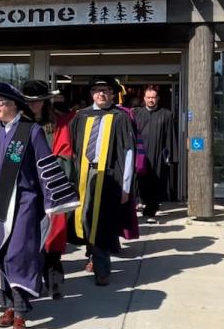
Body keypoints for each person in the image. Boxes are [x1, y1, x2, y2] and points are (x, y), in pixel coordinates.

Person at [0, 83, 79, 329]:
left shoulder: (30, 131)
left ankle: (21, 312)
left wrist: (53, 201)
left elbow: (46, 166)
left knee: (18, 255)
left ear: (14, 105)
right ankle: (9, 306)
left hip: (23, 203)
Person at [68, 76, 136, 286]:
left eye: (106, 90)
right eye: (97, 90)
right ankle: (91, 255)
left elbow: (128, 153)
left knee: (103, 223)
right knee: (85, 219)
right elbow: (73, 151)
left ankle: (102, 269)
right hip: (83, 176)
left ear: (113, 93)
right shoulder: (80, 117)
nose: (101, 94)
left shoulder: (120, 117)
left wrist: (125, 186)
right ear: (91, 94)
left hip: (109, 178)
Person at [21, 80, 73, 299]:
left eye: (39, 101)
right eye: (30, 101)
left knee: (52, 236)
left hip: (50, 187)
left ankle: (53, 281)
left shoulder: (57, 124)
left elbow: (64, 156)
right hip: (24, 190)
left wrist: (56, 186)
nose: (34, 105)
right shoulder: (17, 124)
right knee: (27, 240)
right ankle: (30, 282)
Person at [133, 85, 178, 223]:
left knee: (156, 182)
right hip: (140, 154)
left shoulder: (166, 114)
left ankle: (151, 211)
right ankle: (139, 202)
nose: (151, 100)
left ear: (157, 98)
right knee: (138, 181)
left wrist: (171, 155)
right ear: (144, 98)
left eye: (153, 97)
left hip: (158, 154)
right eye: (148, 97)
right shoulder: (136, 113)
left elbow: (170, 135)